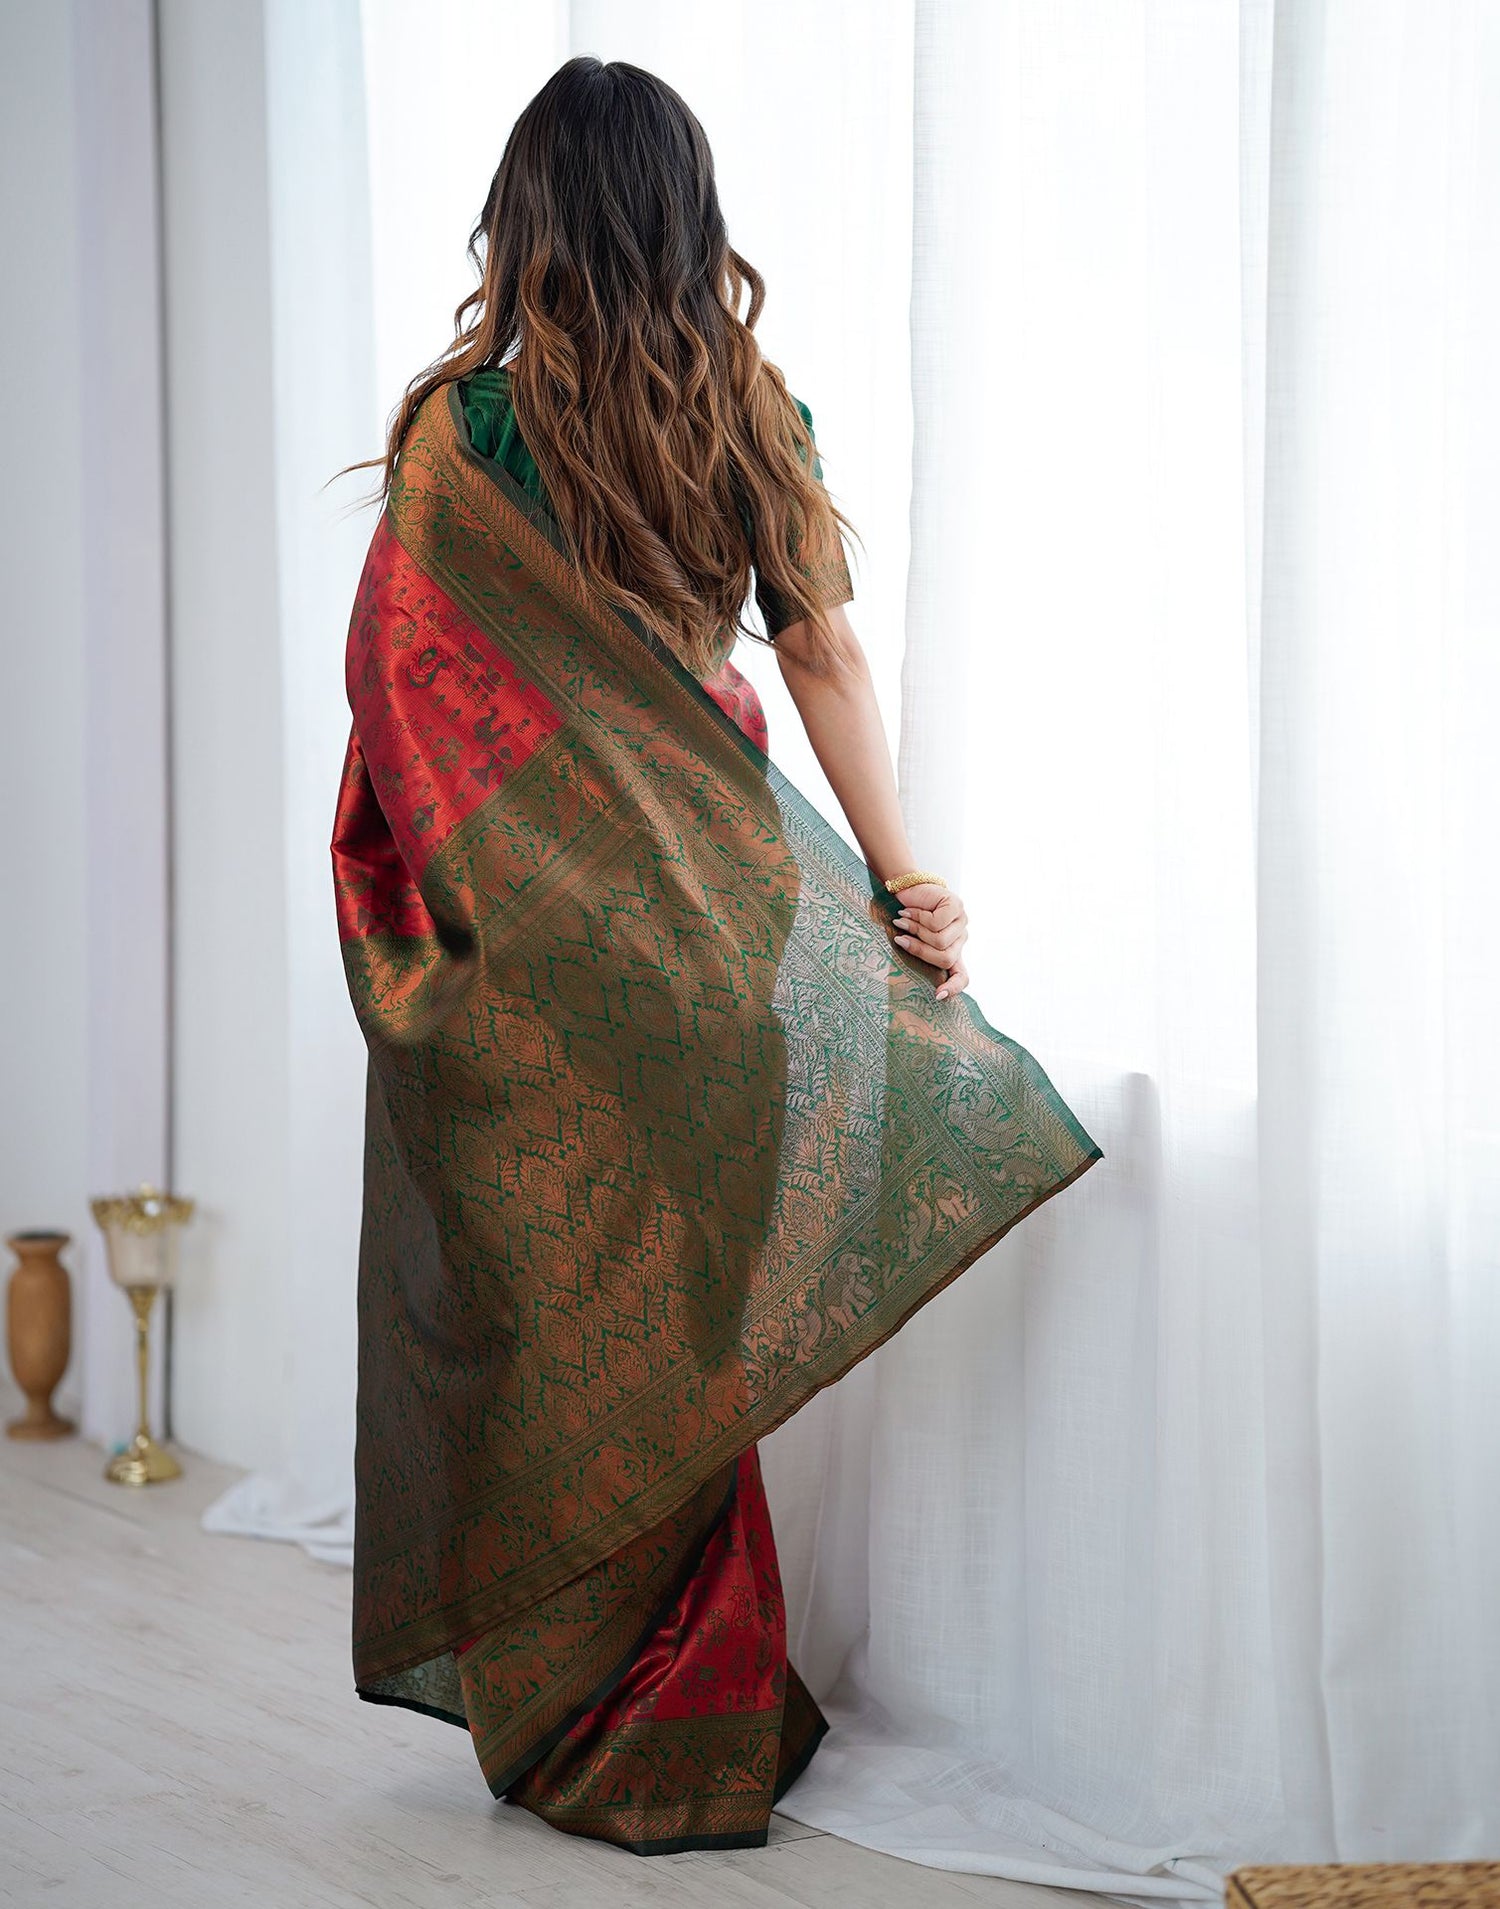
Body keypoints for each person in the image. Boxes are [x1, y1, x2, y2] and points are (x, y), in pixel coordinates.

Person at [331, 55, 1100, 1856]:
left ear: (523, 221)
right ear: (691, 216)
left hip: (539, 953)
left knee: (553, 1327)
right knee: (690, 1332)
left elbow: (401, 695)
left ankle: (602, 1717)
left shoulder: (468, 431)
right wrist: (905, 876)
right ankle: (696, 1702)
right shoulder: (754, 411)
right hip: (725, 938)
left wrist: (466, 893)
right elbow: (823, 660)